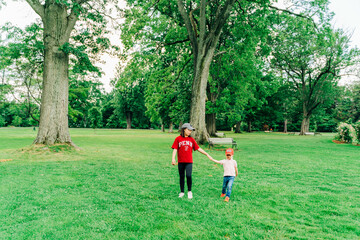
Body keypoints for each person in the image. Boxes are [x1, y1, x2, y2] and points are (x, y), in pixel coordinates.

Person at [171, 123, 213, 199]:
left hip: (189, 161)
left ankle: (189, 191)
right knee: (181, 176)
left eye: (191, 130)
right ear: (184, 129)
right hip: (181, 161)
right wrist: (173, 158)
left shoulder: (191, 140)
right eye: (189, 130)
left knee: (188, 175)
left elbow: (198, 148)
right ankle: (182, 192)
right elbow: (175, 149)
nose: (190, 131)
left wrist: (206, 154)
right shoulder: (178, 139)